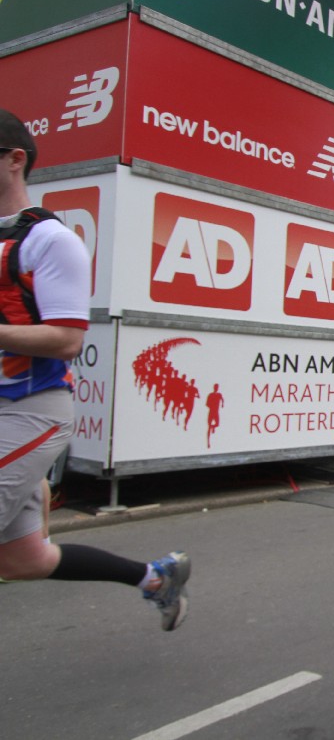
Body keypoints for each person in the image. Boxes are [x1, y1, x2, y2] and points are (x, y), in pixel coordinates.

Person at [0, 109, 190, 630]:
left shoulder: (49, 240)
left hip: (29, 410)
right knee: (22, 561)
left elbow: (66, 339)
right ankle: (156, 578)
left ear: (15, 160)